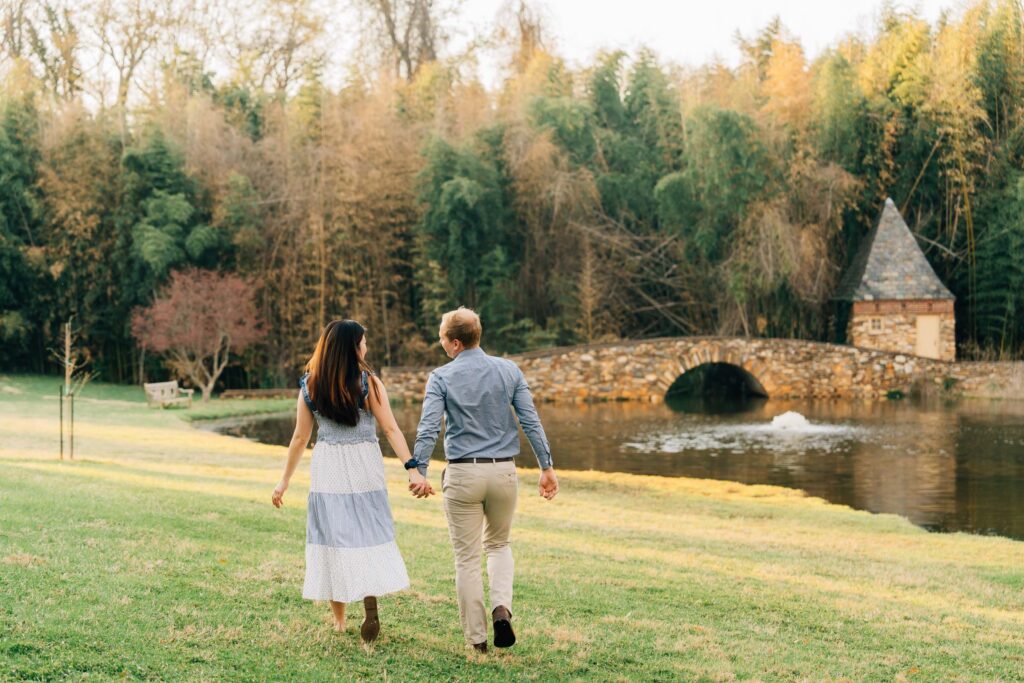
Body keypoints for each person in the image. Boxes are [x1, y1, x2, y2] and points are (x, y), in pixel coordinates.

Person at [407, 307, 558, 653]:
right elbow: (531, 422)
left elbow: (429, 427)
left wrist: (420, 471)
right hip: (503, 471)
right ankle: (501, 608)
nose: (441, 343)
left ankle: (477, 641)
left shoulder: (441, 377)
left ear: (455, 342)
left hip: (462, 473)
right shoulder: (509, 371)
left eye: (443, 338)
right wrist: (546, 467)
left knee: (467, 558)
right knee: (500, 545)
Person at [271, 319, 433, 643]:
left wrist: (284, 481)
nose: (366, 347)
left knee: (334, 538)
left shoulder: (310, 384)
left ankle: (340, 621)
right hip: (364, 464)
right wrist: (412, 468)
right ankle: (369, 595)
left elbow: (300, 438)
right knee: (367, 533)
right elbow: (390, 429)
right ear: (352, 347)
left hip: (328, 466)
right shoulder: (368, 382)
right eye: (363, 342)